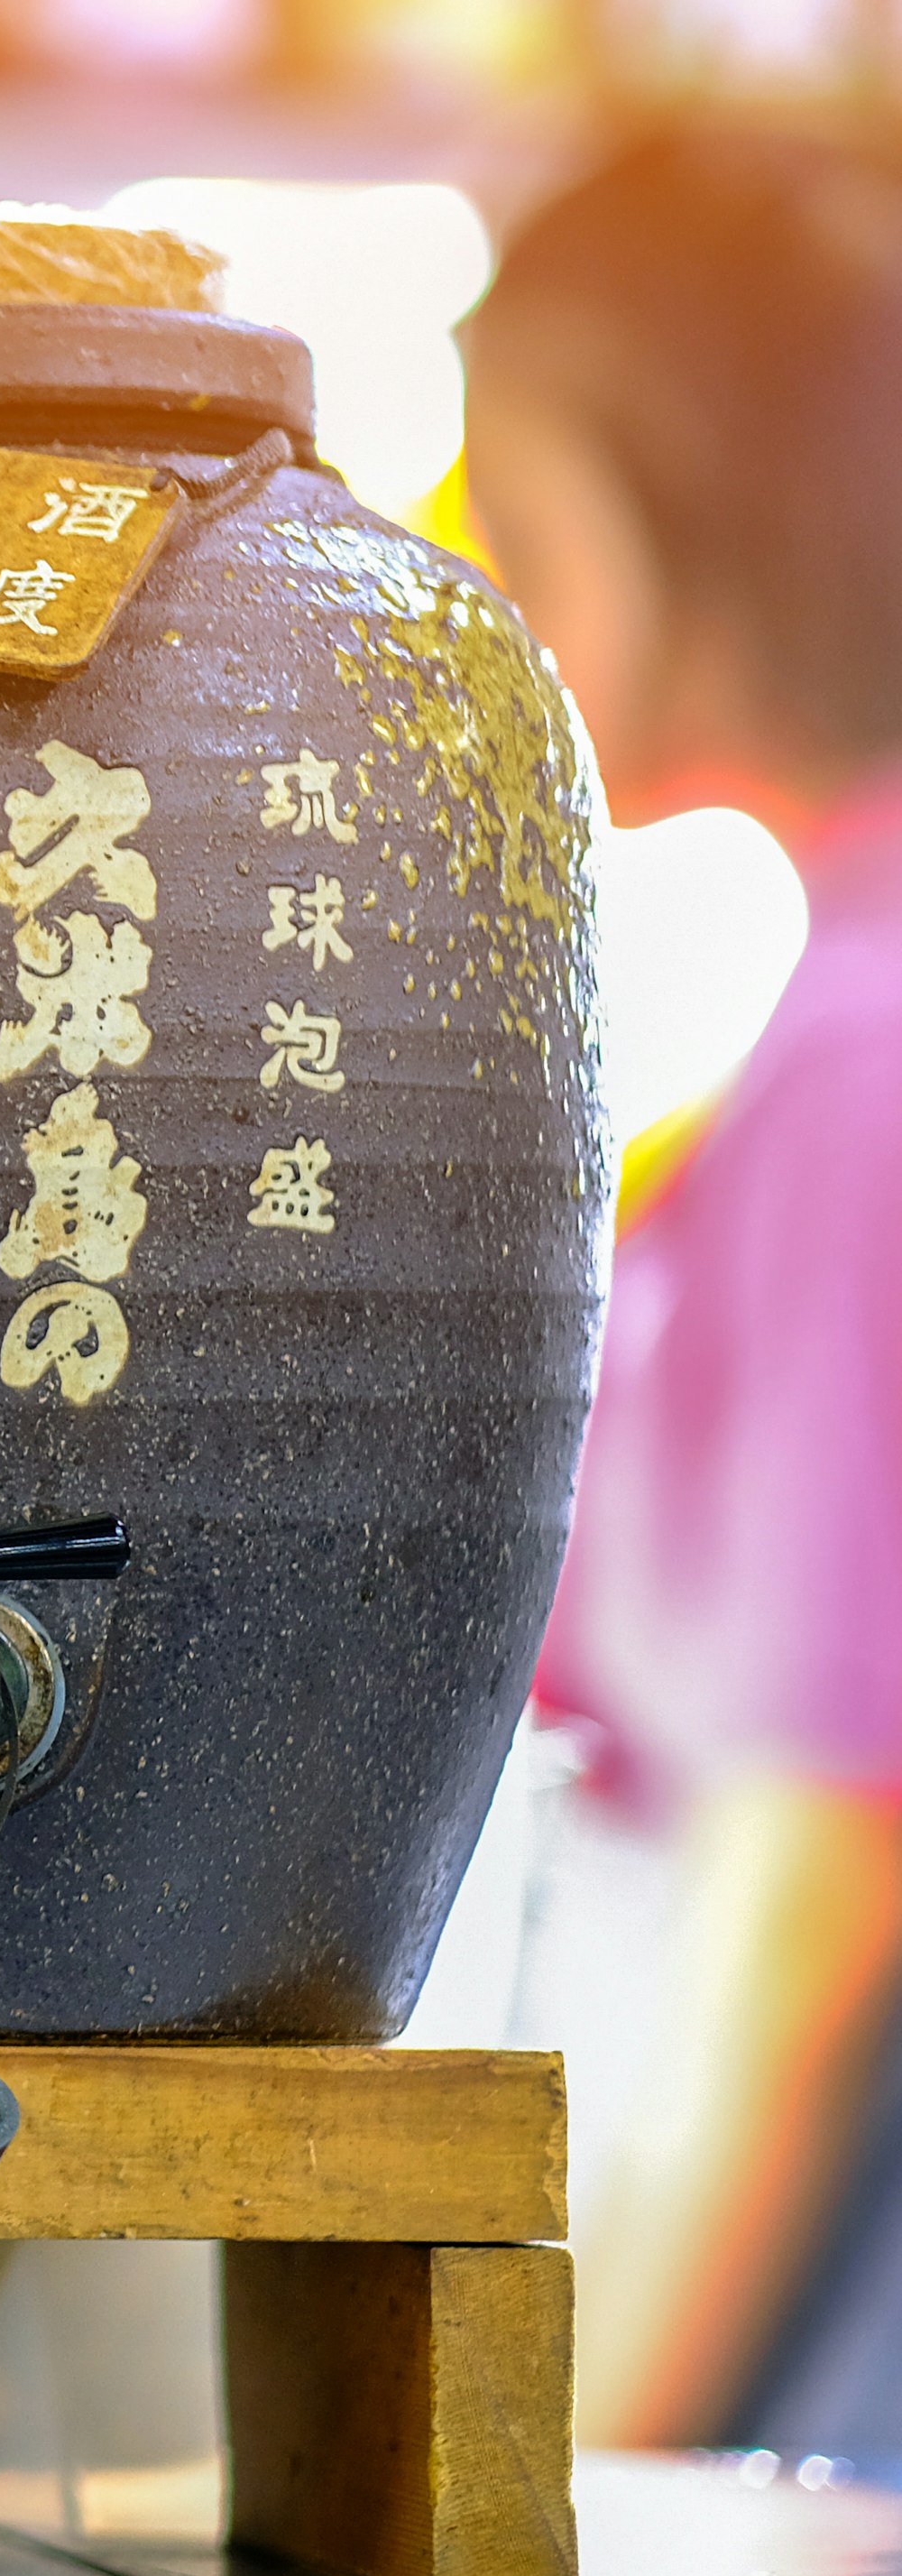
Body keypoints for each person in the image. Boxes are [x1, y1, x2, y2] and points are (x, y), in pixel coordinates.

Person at [468, 122, 902, 2451]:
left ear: (689, 525)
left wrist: (573, 2491)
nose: (494, 615)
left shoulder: (862, 1073)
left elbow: (809, 1906)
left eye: (519, 534)